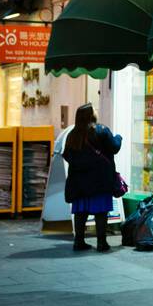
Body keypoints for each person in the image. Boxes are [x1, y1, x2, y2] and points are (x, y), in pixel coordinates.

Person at [62, 103, 121, 252]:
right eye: (94, 109)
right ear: (90, 115)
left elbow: (67, 155)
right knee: (101, 212)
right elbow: (114, 147)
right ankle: (102, 243)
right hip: (100, 180)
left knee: (80, 212)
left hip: (79, 181)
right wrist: (119, 138)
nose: (96, 110)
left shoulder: (73, 135)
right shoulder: (101, 130)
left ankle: (79, 241)